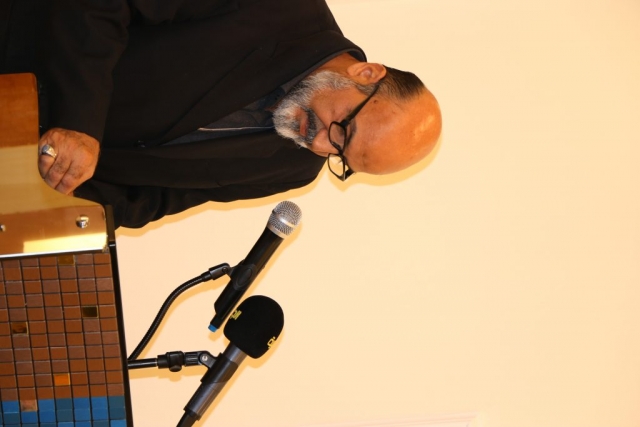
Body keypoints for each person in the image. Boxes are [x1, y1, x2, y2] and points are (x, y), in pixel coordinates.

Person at [1, 0, 442, 228]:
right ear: (366, 73)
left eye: (341, 158)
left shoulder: (293, 168)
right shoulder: (280, 9)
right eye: (343, 130)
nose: (322, 145)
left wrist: (55, 204)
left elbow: (155, 198)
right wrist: (79, 121)